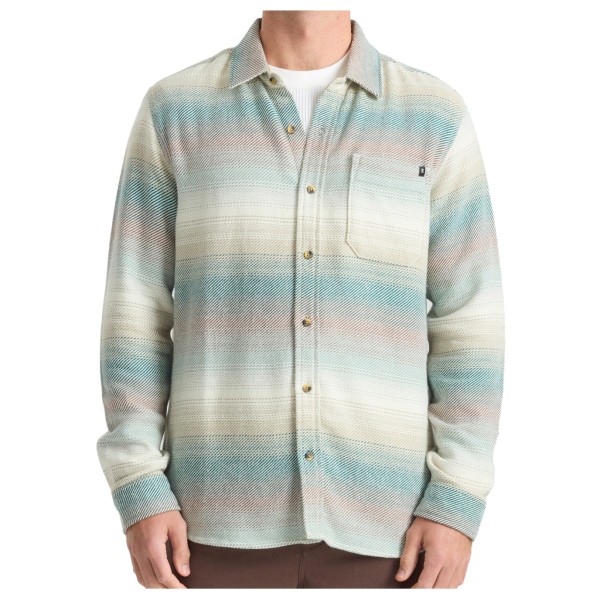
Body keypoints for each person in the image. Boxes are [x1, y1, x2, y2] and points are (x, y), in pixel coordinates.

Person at [97, 10, 505, 589]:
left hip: (393, 534)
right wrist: (139, 484)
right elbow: (135, 311)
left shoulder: (434, 117)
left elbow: (470, 320)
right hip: (206, 531)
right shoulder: (175, 111)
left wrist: (457, 497)